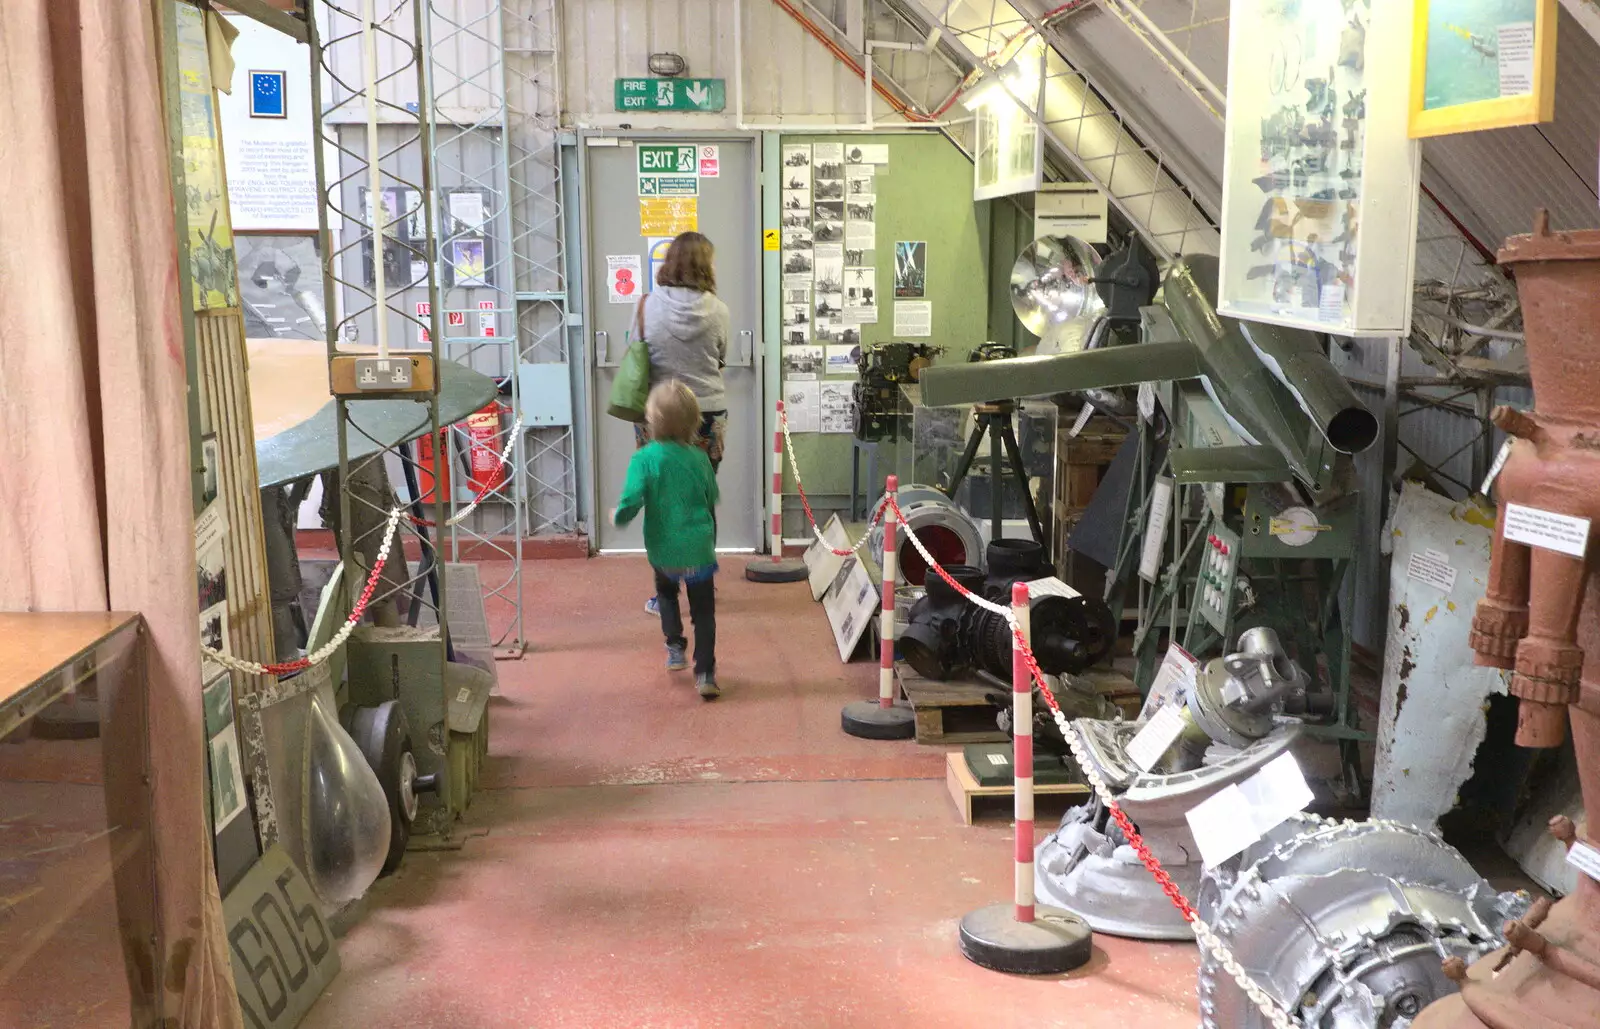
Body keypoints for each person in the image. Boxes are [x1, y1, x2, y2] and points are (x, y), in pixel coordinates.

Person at [632, 231, 730, 615]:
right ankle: (702, 586)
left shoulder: (645, 306)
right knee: (701, 500)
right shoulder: (719, 310)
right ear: (706, 265)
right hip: (707, 415)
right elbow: (721, 357)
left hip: (656, 415)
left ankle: (665, 594)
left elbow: (636, 353)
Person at [614, 381, 721, 700]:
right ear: (694, 421)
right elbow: (712, 495)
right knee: (703, 611)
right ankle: (705, 673)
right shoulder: (700, 458)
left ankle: (675, 648)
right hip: (699, 548)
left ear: (651, 421)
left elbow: (632, 498)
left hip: (663, 550)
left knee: (666, 592)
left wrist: (619, 515)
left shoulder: (645, 459)